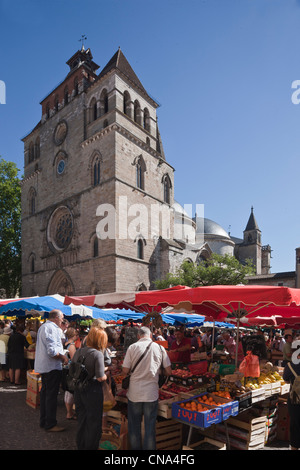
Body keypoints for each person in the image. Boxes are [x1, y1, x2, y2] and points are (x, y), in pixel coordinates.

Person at [122, 326, 172, 450]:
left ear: (139, 336)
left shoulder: (132, 347)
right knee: (150, 428)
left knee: (134, 427)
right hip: (151, 393)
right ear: (150, 336)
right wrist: (157, 371)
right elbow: (169, 371)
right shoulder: (160, 348)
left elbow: (125, 370)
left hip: (135, 393)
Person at [72, 327, 107, 450]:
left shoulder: (78, 351)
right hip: (92, 391)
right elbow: (100, 377)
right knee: (94, 422)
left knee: (82, 419)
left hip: (78, 389)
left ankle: (81, 445)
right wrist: (105, 374)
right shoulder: (97, 354)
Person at [34, 309, 69, 432]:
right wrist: (63, 356)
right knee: (50, 396)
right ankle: (50, 423)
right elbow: (52, 351)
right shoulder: (51, 328)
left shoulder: (45, 327)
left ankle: (45, 421)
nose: (62, 320)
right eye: (62, 318)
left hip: (47, 367)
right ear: (56, 317)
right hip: (51, 368)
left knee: (45, 395)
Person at [283, 341, 300, 450]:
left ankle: (294, 447)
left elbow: (286, 380)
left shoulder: (290, 365)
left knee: (295, 425)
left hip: (295, 400)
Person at [63, 327, 78, 420]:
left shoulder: (65, 344)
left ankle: (69, 412)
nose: (78, 336)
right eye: (77, 334)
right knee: (70, 391)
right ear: (73, 335)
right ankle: (69, 413)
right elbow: (74, 359)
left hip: (65, 369)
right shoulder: (71, 346)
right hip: (70, 370)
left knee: (67, 391)